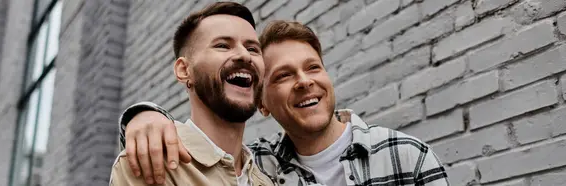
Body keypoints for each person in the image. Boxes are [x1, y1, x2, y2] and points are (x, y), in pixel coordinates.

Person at [120, 20, 450, 185]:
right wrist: (144, 116)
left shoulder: (405, 155)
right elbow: (206, 145)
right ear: (261, 104)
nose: (304, 81)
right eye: (283, 76)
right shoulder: (258, 167)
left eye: (313, 68)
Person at [109, 2, 274, 186]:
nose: (245, 55)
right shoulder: (152, 161)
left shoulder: (266, 180)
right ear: (184, 70)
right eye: (222, 46)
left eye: (252, 49)